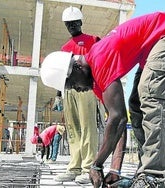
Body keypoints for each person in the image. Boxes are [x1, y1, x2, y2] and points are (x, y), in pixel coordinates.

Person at [40, 12, 165, 188]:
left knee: (150, 97)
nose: (78, 90)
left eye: (73, 85)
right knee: (136, 105)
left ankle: (153, 176)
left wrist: (96, 164)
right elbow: (117, 122)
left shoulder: (99, 59)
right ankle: (146, 172)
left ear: (77, 67)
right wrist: (114, 171)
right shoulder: (96, 82)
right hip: (152, 46)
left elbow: (118, 118)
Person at [52, 6, 106, 184]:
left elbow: (100, 63)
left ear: (81, 22)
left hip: (87, 89)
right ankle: (74, 167)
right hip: (69, 91)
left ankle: (87, 168)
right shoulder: (65, 47)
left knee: (88, 127)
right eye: (68, 24)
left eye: (74, 23)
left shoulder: (93, 40)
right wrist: (59, 95)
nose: (72, 26)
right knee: (74, 129)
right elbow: (61, 72)